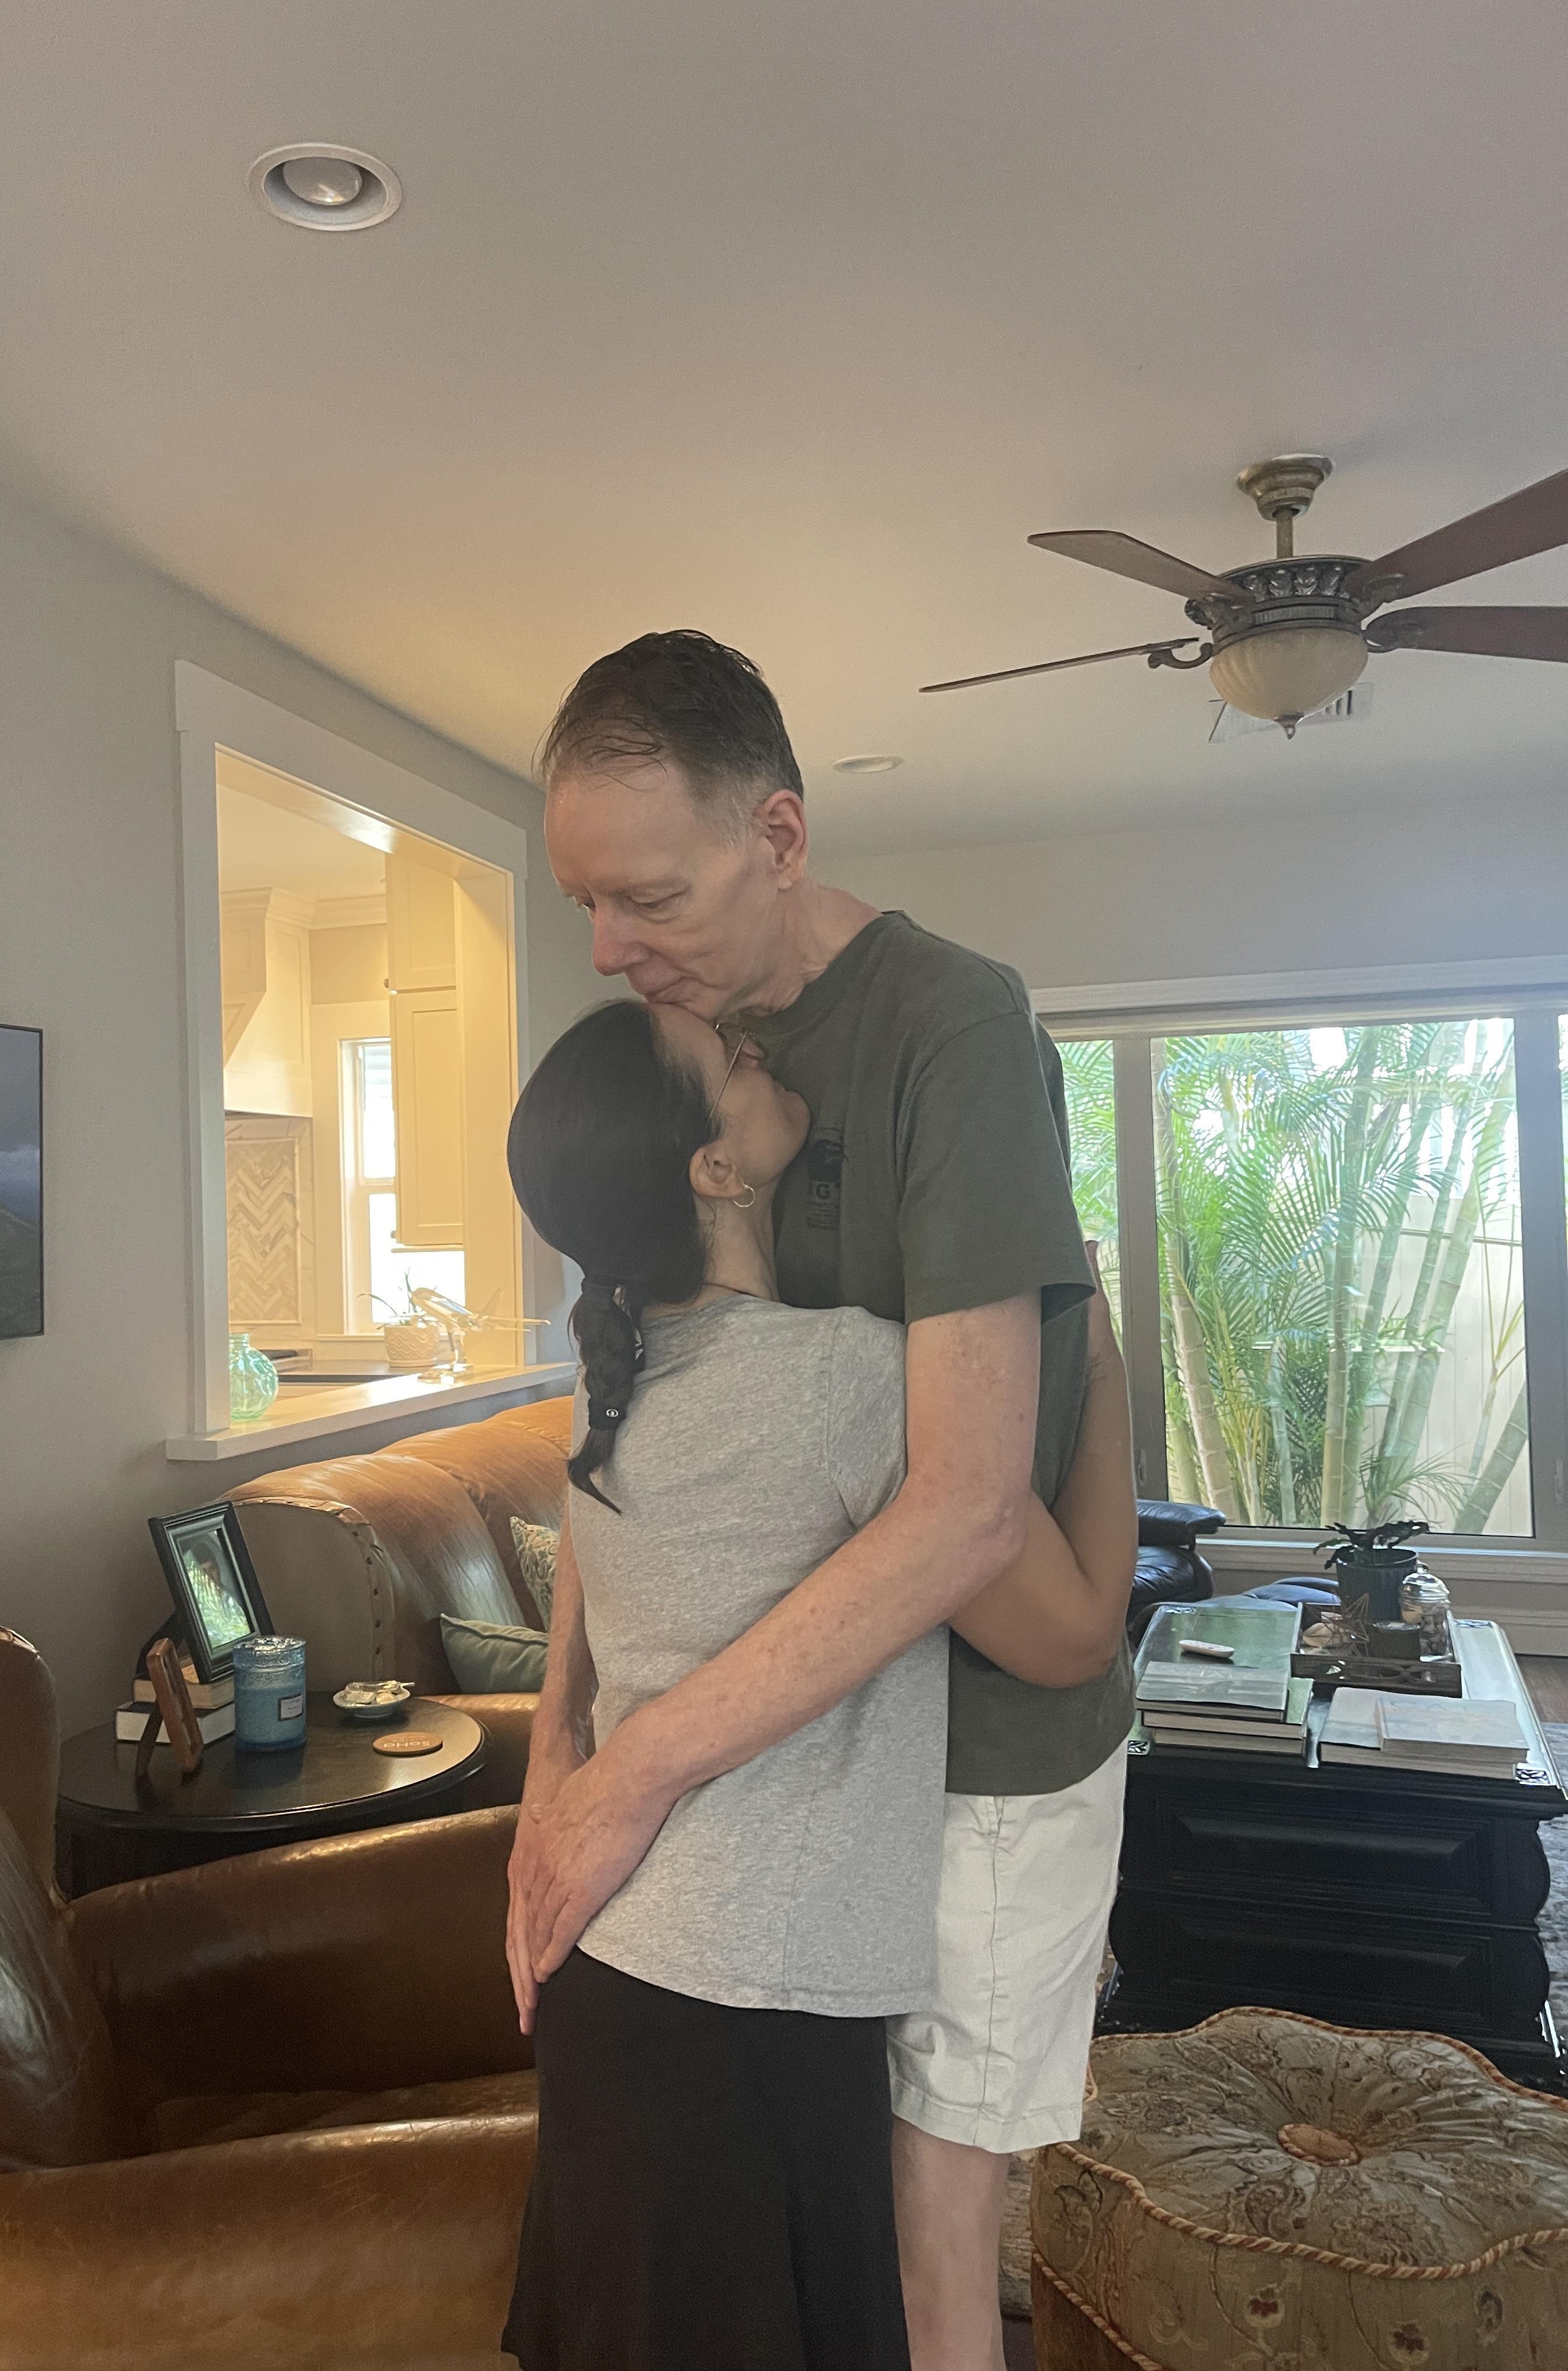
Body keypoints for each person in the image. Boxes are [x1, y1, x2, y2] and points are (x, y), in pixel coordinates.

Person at [507, 630, 1138, 2371]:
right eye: (587, 905)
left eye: (648, 900)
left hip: (977, 1761)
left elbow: (965, 1515)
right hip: (788, 1788)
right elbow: (609, 1435)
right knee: (816, 2263)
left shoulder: (950, 1026)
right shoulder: (682, 1053)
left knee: (928, 2259)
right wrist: (553, 1766)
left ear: (778, 837)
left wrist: (624, 1774)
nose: (611, 955)